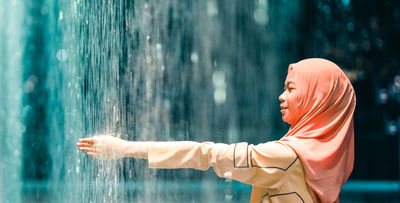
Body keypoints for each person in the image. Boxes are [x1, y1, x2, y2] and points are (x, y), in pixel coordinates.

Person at [77, 58, 356, 203]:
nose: (281, 96)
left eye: (292, 89)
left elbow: (205, 154)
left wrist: (125, 148)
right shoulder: (321, 163)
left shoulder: (285, 158)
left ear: (317, 99)